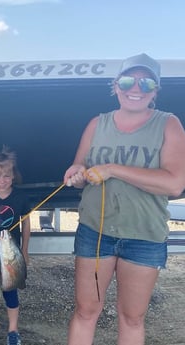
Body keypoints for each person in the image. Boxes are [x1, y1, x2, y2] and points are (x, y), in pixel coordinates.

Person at [63, 53, 185, 345]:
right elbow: (78, 168)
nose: (136, 89)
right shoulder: (97, 124)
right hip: (95, 232)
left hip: (144, 236)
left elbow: (174, 184)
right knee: (85, 311)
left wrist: (113, 169)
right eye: (129, 81)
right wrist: (76, 173)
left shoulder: (168, 124)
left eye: (146, 83)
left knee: (132, 317)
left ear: (155, 90)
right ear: (116, 85)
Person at [0, 146, 31, 345]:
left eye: (7, 176)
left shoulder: (21, 197)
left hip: (12, 255)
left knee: (10, 292)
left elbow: (26, 223)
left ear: (13, 176)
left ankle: (13, 330)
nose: (2, 180)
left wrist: (25, 250)